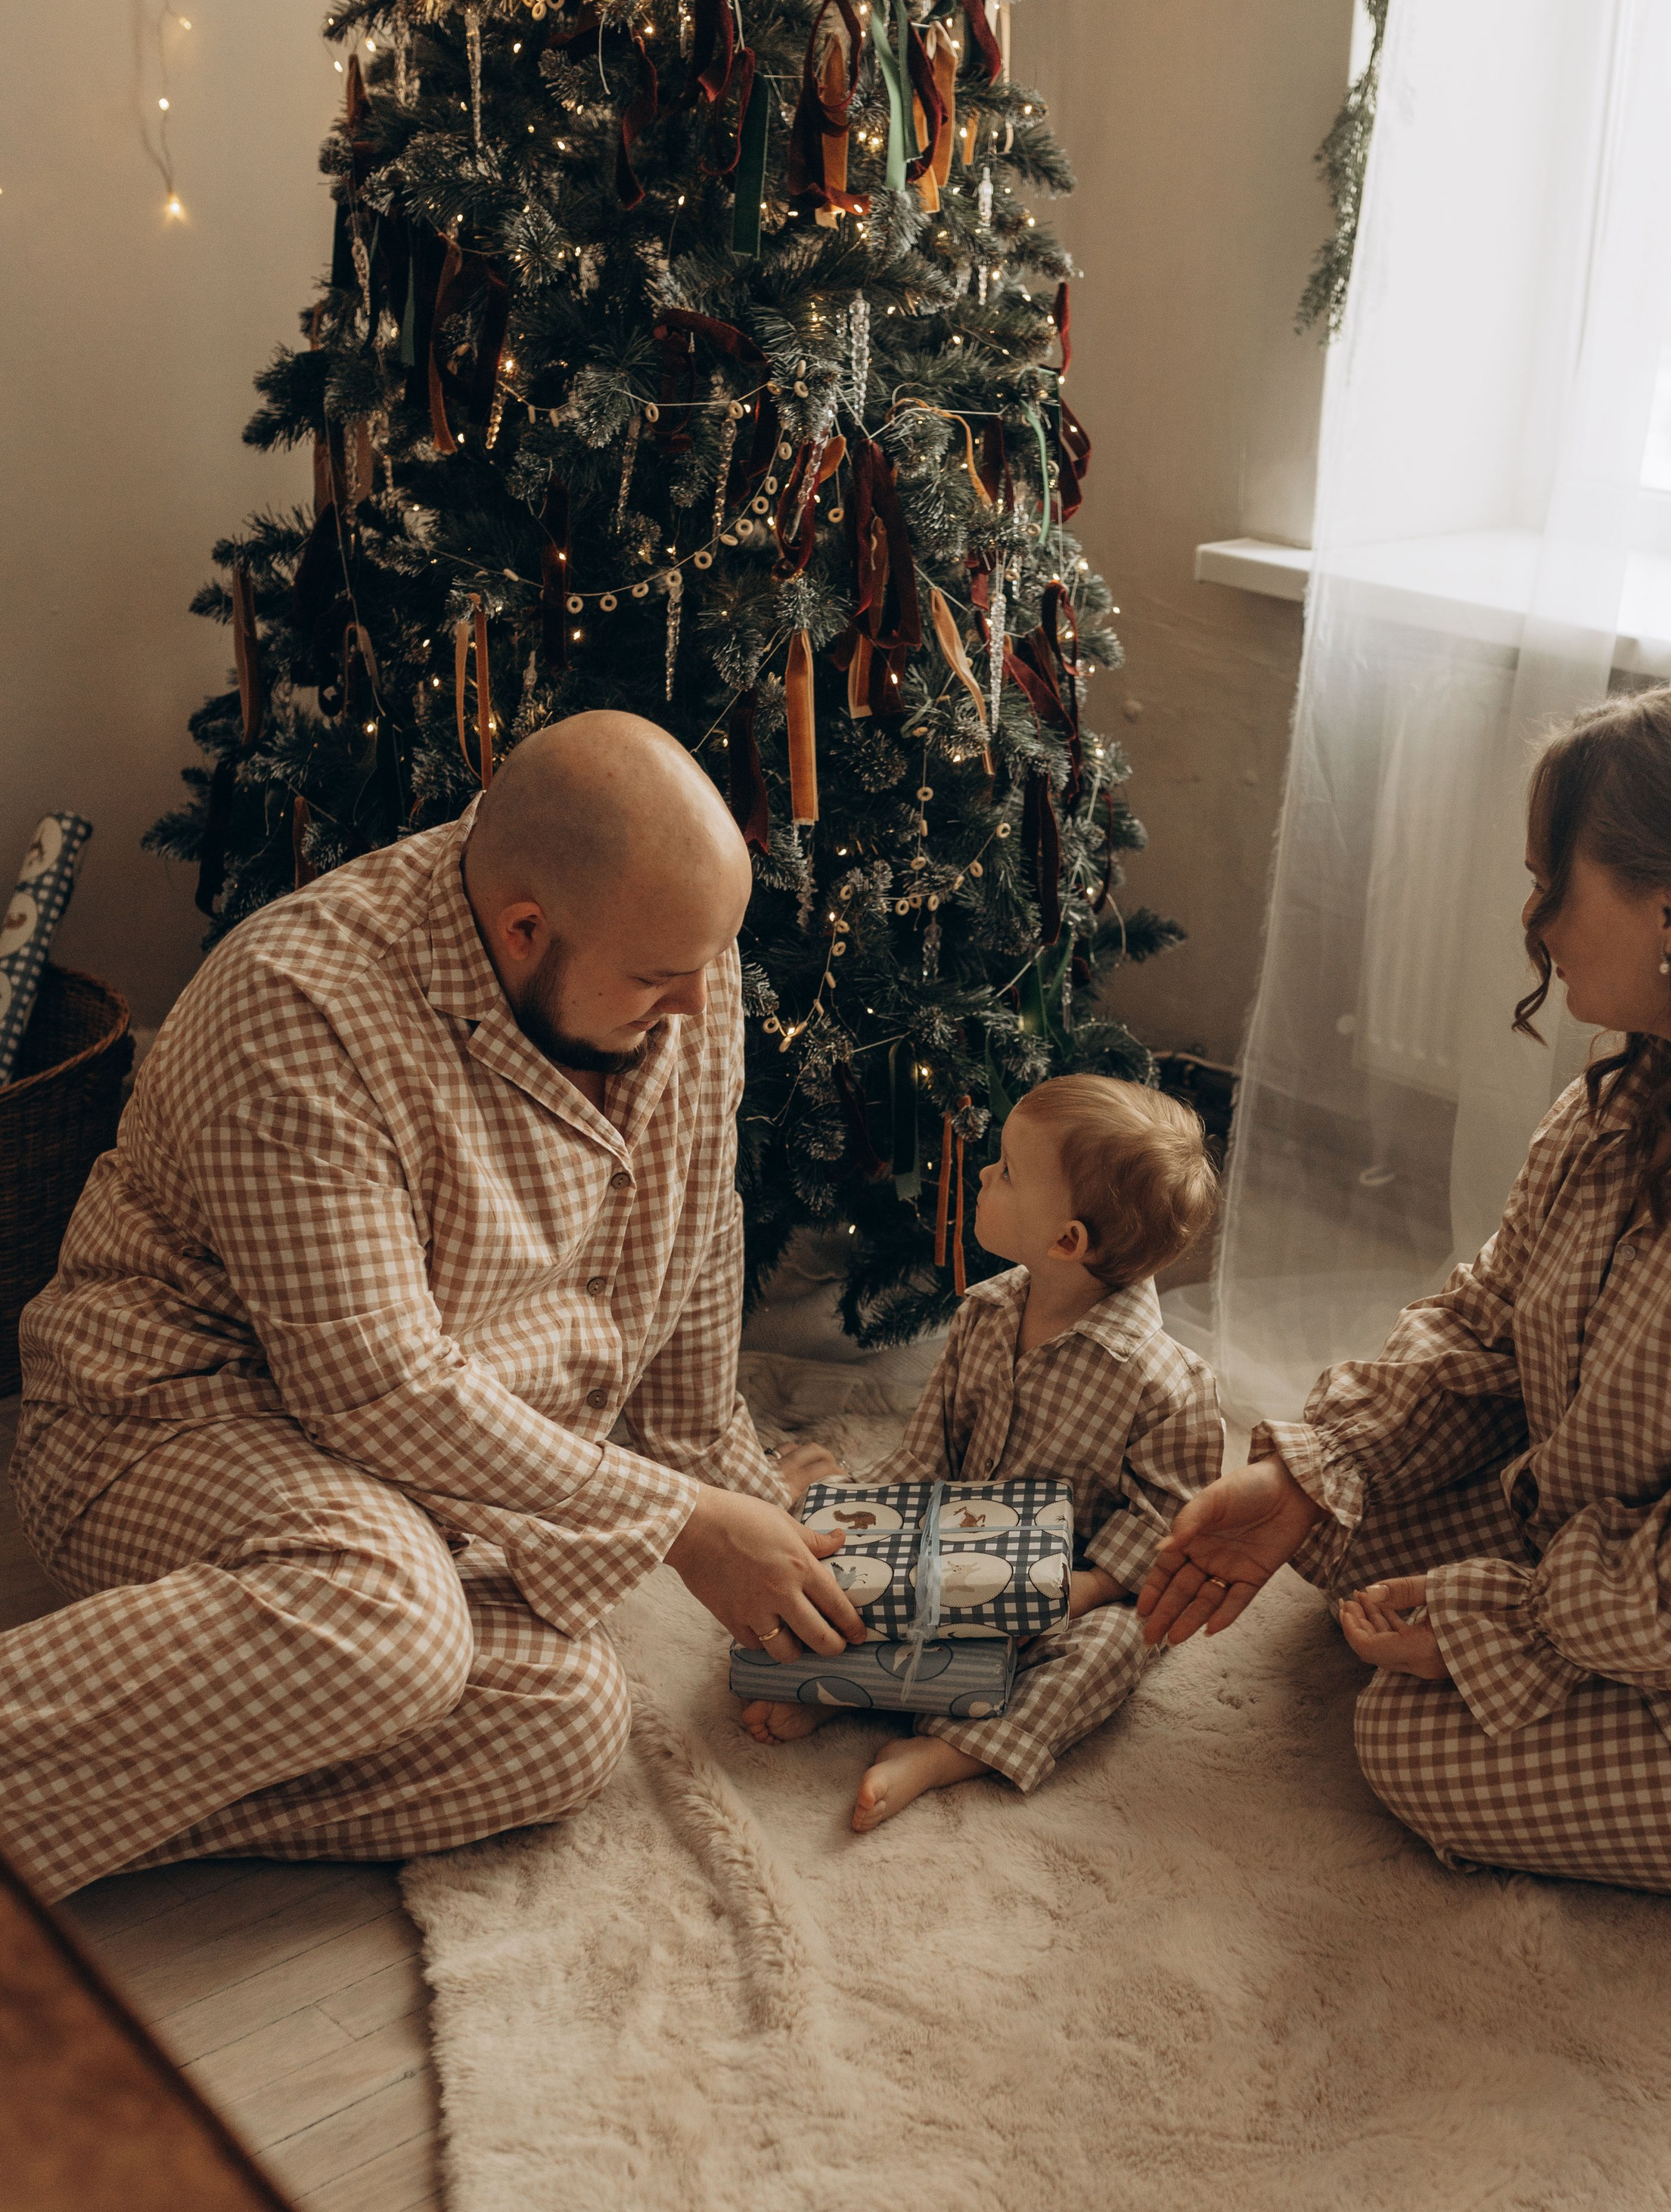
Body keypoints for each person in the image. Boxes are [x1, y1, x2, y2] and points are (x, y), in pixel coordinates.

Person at [2, 713, 862, 1901]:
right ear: (524, 931)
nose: (706, 1012)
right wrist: (683, 1521)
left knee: (565, 1723)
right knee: (391, 1618)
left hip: (409, 1482)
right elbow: (376, 1386)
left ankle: (94, 1805)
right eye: (667, 981)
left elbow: (693, 1251)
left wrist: (762, 1527)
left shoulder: (669, 979)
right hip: (161, 1423)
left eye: (713, 965)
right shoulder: (298, 1006)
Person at [1141, 687, 1671, 1915]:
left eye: (1550, 886)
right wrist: (1309, 1469)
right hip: (1652, 1525)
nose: (1534, 922)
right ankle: (1533, 1608)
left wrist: (1507, 1624)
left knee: (1416, 1747)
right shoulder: (1661, 1070)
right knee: (1328, 1522)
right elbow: (1491, 1324)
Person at [742, 1075, 1226, 1831]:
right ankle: (840, 1687)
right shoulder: (987, 1313)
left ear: (1067, 1241)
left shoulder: (1170, 1385)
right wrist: (859, 1524)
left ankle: (951, 1753)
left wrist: (1081, 1590)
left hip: (1073, 1587)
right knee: (858, 1579)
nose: (981, 1174)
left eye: (1005, 1172)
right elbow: (925, 1453)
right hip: (957, 1544)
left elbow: (1168, 1526)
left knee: (1115, 1650)